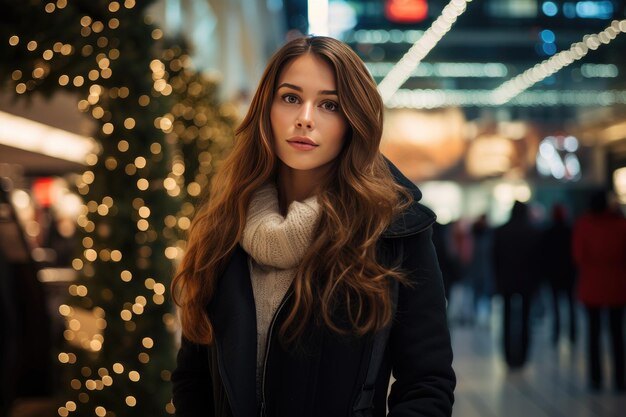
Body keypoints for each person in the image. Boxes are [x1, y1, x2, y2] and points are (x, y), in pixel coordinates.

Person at [170, 36, 455, 417]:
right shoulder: (223, 229)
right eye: (290, 98)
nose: (305, 117)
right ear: (266, 110)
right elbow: (193, 378)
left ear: (352, 122)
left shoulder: (392, 231)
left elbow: (426, 385)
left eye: (329, 104)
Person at [573, 190, 626, 392]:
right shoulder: (621, 225)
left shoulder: (584, 225)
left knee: (593, 334)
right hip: (617, 287)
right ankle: (620, 378)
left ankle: (595, 378)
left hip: (592, 286)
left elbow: (578, 256)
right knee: (617, 335)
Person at [492, 201, 541, 369]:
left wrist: (497, 281)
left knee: (506, 319)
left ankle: (508, 356)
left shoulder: (501, 231)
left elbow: (495, 259)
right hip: (527, 282)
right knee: (526, 320)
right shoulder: (533, 232)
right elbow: (537, 262)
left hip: (507, 281)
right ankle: (523, 356)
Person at [539, 204, 577, 346]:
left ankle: (557, 332)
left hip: (554, 274)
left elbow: (543, 255)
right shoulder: (570, 231)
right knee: (570, 305)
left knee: (555, 306)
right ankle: (573, 333)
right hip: (568, 274)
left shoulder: (548, 232)